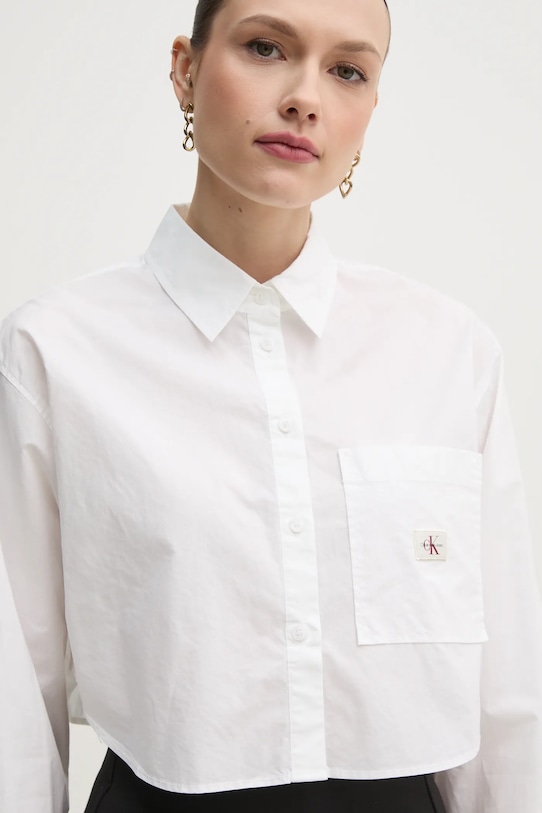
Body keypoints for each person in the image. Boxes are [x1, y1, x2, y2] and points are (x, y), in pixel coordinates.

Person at [1, 0, 541, 811]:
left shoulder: (448, 353)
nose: (305, 98)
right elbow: (15, 687)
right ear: (185, 69)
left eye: (347, 70)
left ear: (370, 110)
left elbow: (505, 696)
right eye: (264, 47)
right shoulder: (54, 351)